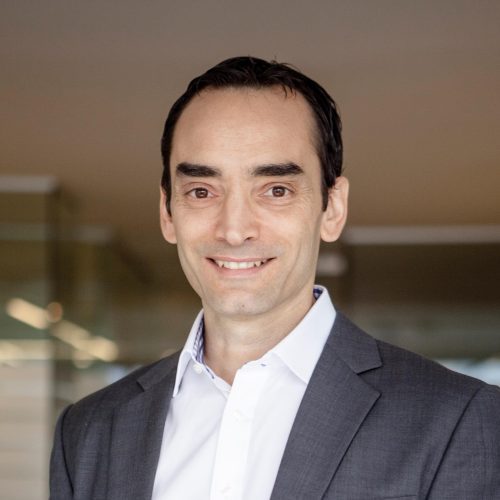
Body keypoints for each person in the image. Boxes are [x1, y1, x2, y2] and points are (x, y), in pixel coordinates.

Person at [50, 56, 500, 500]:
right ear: (168, 213)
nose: (234, 229)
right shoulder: (87, 432)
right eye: (202, 191)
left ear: (332, 208)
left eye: (276, 190)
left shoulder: (456, 420)